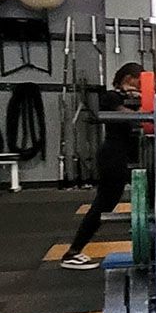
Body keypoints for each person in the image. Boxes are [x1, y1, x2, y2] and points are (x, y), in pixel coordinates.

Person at [61, 63, 144, 270]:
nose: (142, 84)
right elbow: (130, 115)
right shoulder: (110, 97)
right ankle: (72, 253)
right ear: (128, 78)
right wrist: (146, 107)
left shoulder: (135, 98)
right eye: (139, 80)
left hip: (133, 158)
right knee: (104, 205)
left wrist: (143, 98)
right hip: (113, 157)